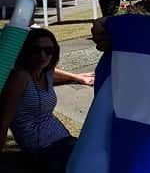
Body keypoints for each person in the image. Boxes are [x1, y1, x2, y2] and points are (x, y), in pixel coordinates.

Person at [1, 29, 94, 172]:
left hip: (62, 139)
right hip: (43, 148)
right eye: (36, 50)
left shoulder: (45, 72)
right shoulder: (20, 77)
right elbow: (4, 120)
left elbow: (54, 71)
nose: (42, 55)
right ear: (26, 51)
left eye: (48, 50)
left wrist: (78, 77)